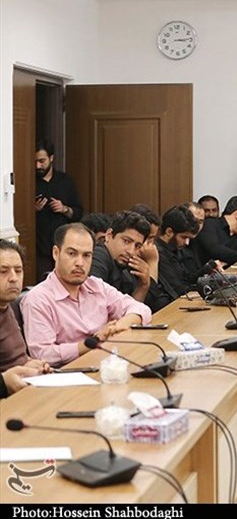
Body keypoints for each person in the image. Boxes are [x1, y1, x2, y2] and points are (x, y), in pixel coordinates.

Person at [21, 223, 152, 366]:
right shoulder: (37, 299)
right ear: (56, 253)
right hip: (68, 372)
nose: (80, 263)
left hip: (103, 362)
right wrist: (93, 342)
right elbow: (43, 354)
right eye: (72, 254)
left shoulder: (96, 285)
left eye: (86, 256)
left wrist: (117, 327)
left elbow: (141, 309)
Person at [89, 210, 170, 312]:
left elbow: (132, 310)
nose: (131, 251)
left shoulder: (125, 263)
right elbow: (96, 310)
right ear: (109, 235)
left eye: (137, 246)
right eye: (126, 241)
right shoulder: (98, 256)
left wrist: (143, 286)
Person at [0, 240, 50, 398]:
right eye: (3, 271)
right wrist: (3, 382)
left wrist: (29, 363)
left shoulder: (7, 305)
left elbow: (13, 358)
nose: (13, 278)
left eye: (18, 270)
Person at [34, 139, 83, 282]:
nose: (38, 166)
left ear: (51, 158)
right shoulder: (30, 182)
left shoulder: (65, 181)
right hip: (39, 248)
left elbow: (78, 212)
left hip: (63, 245)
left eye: (42, 161)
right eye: (35, 161)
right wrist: (33, 210)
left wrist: (64, 209)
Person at [155, 205, 201, 299]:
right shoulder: (158, 253)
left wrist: (208, 268)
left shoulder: (174, 249)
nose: (187, 243)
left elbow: (187, 278)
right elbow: (177, 288)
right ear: (169, 232)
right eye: (184, 237)